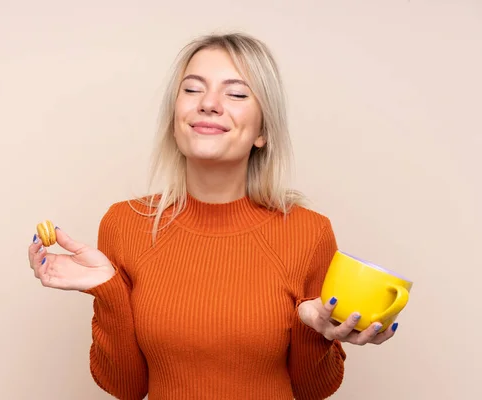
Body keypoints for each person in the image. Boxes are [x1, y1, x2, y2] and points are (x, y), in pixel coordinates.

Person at [27, 32, 399, 400]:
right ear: (175, 119)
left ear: (262, 131)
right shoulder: (123, 224)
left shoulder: (309, 232)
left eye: (236, 93)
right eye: (192, 89)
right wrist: (108, 290)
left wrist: (312, 329)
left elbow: (312, 389)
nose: (208, 103)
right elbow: (126, 387)